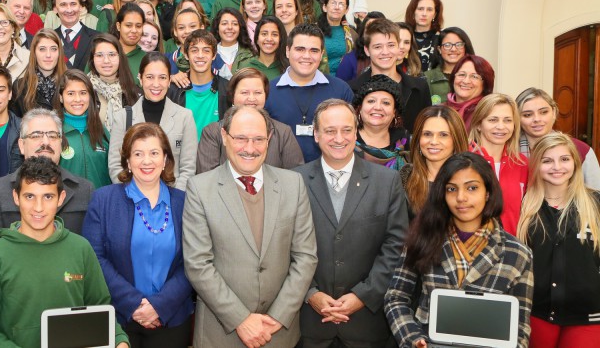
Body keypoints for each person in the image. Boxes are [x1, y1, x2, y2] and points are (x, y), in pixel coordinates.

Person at [183, 105, 318, 347]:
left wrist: (279, 316)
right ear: (224, 137)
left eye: (258, 139)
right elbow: (197, 264)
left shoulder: (293, 185)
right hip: (221, 334)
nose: (249, 148)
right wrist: (241, 319)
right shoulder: (199, 189)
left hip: (278, 333)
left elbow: (306, 257)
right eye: (241, 138)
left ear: (269, 140)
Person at [0, 157, 130, 348]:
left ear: (61, 199)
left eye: (48, 197)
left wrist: (119, 340)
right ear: (16, 197)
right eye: (29, 196)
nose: (38, 208)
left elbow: (101, 310)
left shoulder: (81, 249)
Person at [384, 152, 534, 348]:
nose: (461, 198)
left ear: (488, 192)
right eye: (452, 189)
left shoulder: (518, 253)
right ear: (442, 194)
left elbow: (520, 327)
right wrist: (413, 340)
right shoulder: (423, 238)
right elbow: (395, 298)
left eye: (472, 188)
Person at [294, 98, 408, 347]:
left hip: (367, 324)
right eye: (330, 130)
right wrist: (310, 294)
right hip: (308, 324)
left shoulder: (387, 182)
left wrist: (363, 295)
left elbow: (395, 246)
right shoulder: (293, 181)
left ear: (356, 133)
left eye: (346, 130)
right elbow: (281, 246)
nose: (339, 138)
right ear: (316, 134)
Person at [83, 123, 194, 346]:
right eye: (138, 154)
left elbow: (194, 260)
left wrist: (159, 306)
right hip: (119, 321)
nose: (146, 161)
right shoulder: (103, 200)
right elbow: (94, 258)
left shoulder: (185, 203)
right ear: (127, 161)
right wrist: (134, 304)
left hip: (172, 320)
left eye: (154, 153)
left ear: (165, 160)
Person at [517, 132, 600, 348]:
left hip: (587, 314)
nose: (557, 167)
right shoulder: (524, 207)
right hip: (537, 312)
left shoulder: (596, 204)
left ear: (575, 162)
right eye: (547, 160)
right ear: (536, 164)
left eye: (564, 159)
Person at [0, 108, 94, 254]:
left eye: (52, 136)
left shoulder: (84, 190)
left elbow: (91, 252)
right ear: (21, 145)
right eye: (36, 135)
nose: (45, 142)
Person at [108, 52, 198, 190]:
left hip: (172, 198)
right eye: (150, 77)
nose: (156, 84)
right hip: (132, 199)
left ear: (169, 81)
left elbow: (188, 168)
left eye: (162, 77)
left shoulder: (184, 117)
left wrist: (173, 198)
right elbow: (115, 166)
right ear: (140, 78)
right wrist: (134, 194)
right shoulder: (122, 118)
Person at [265, 24, 355, 162]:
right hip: (281, 174)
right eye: (300, 49)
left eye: (314, 50)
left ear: (321, 54)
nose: (306, 56)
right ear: (288, 51)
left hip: (328, 174)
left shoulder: (340, 90)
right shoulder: (267, 91)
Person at [197, 67, 303, 172]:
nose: (251, 98)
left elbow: (294, 177)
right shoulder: (213, 132)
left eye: (257, 92)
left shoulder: (283, 132)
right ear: (232, 96)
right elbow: (207, 180)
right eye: (244, 93)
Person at [348, 18, 432, 133]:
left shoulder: (419, 87)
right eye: (378, 47)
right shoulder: (351, 89)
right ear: (367, 50)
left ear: (399, 47)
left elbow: (426, 129)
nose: (385, 52)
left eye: (391, 45)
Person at [516, 87, 600, 189]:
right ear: (517, 118)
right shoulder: (509, 151)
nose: (537, 119)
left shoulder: (581, 150)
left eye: (543, 112)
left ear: (554, 112)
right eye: (528, 115)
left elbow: (596, 196)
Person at [469, 93, 529, 236]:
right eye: (493, 120)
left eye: (508, 120)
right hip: (471, 249)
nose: (501, 127)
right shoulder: (464, 161)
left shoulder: (522, 164)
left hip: (511, 250)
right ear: (478, 124)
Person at [400, 106, 469, 218]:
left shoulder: (473, 178)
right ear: (418, 138)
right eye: (427, 134)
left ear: (456, 139)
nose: (434, 141)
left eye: (443, 135)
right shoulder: (405, 178)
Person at [167, 29, 230, 138]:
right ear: (186, 55)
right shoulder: (174, 90)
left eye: (206, 50)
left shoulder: (228, 89)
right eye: (194, 50)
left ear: (214, 55)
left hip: (216, 154)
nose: (200, 55)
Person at [55, 70, 112, 189]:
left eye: (83, 93)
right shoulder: (53, 133)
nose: (77, 99)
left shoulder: (102, 132)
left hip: (100, 204)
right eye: (70, 93)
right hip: (66, 205)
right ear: (61, 97)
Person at [353, 74, 410, 171]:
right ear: (360, 109)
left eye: (386, 103)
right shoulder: (347, 139)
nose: (378, 107)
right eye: (371, 101)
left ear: (394, 112)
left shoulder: (404, 141)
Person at [87, 33, 141, 129]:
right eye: (99, 55)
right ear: (92, 59)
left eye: (112, 55)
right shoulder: (83, 91)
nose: (106, 61)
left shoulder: (134, 92)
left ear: (120, 57)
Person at [8, 29, 65, 118]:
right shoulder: (19, 87)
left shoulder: (69, 84)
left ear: (59, 53)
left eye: (53, 49)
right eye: (42, 49)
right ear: (34, 53)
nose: (48, 55)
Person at [52, 0, 99, 70]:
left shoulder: (97, 39)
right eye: (63, 5)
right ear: (55, 8)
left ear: (81, 6)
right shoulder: (50, 39)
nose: (69, 10)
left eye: (73, 4)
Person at [424, 26, 475, 104]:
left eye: (459, 44)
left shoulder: (476, 76)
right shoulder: (426, 77)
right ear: (439, 49)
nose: (453, 49)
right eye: (447, 45)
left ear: (465, 48)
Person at [444, 54, 495, 131]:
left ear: (485, 83)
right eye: (461, 74)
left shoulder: (488, 113)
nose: (466, 81)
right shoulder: (438, 110)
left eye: (474, 76)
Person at [233, 16, 289, 80]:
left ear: (280, 39)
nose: (269, 39)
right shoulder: (245, 66)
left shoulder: (289, 68)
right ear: (257, 39)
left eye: (274, 34)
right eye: (264, 34)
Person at [210, 8, 256, 79]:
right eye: (224, 23)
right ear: (217, 28)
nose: (230, 27)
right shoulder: (208, 54)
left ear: (240, 28)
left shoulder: (251, 55)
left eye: (235, 24)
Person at [404, 0, 444, 72]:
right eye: (420, 9)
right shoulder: (403, 37)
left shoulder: (442, 38)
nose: (424, 14)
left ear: (435, 14)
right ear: (413, 11)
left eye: (429, 10)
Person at [319, 0, 355, 75]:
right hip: (321, 80)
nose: (337, 7)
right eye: (333, 3)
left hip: (346, 81)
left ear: (346, 10)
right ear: (324, 7)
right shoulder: (314, 31)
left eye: (341, 4)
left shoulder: (351, 33)